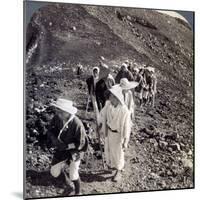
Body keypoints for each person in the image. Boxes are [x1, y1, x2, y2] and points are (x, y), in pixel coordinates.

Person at [47, 98, 88, 196]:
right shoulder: (57, 118)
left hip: (75, 150)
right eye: (57, 110)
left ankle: (78, 192)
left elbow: (81, 143)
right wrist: (54, 140)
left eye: (60, 111)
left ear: (67, 112)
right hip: (62, 148)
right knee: (54, 172)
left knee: (73, 175)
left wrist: (68, 146)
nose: (58, 113)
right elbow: (51, 130)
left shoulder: (77, 124)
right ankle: (68, 184)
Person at [97, 85, 131, 182]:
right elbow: (102, 114)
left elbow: (126, 127)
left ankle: (118, 171)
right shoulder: (108, 105)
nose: (109, 98)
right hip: (109, 131)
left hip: (118, 134)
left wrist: (125, 141)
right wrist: (99, 124)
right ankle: (112, 165)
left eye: (111, 96)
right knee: (109, 150)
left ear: (116, 97)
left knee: (118, 153)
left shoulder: (124, 111)